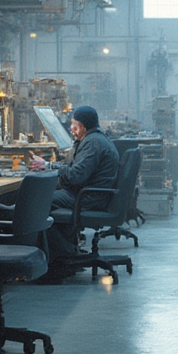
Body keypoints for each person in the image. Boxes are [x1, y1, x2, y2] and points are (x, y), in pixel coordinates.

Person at [29, 105, 119, 262]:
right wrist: (49, 166)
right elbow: (75, 170)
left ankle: (62, 255)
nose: (71, 129)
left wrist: (51, 168)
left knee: (38, 202)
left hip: (87, 198)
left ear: (82, 126)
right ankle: (65, 250)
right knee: (46, 199)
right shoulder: (94, 140)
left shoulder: (92, 144)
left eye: (74, 125)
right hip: (90, 194)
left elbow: (75, 176)